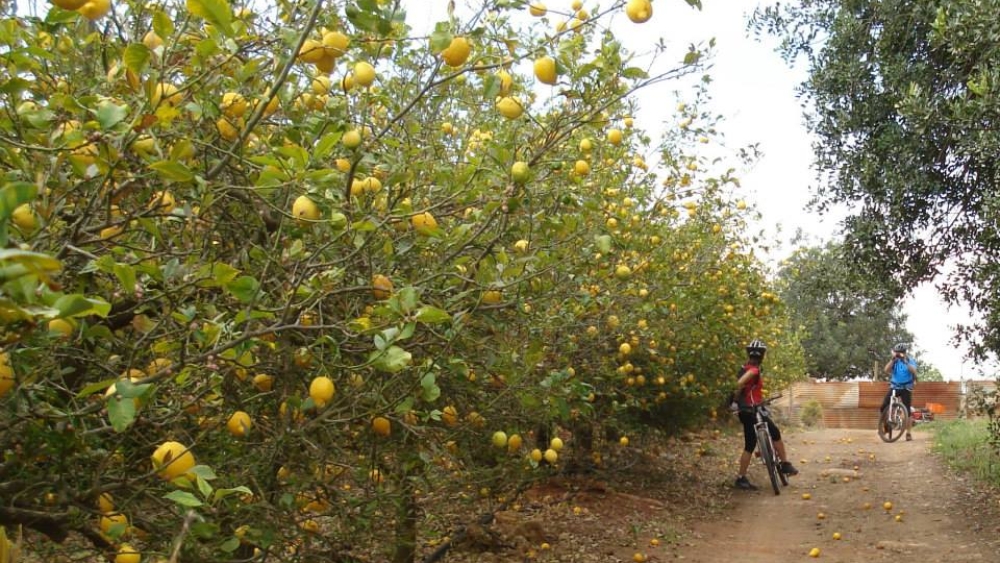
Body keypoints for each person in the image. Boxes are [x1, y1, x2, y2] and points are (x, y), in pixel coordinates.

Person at [733, 339, 798, 490]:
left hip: (744, 411)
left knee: (749, 444)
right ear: (763, 356)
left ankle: (741, 478)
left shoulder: (742, 368)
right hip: (753, 409)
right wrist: (737, 396)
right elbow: (739, 384)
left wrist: (735, 402)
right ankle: (785, 464)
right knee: (775, 432)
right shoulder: (754, 370)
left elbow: (742, 386)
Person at [882, 342, 918, 441]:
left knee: (907, 411)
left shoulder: (910, 360)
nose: (898, 354)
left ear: (905, 353)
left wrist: (905, 361)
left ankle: (908, 433)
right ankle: (886, 426)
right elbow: (886, 370)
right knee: (883, 406)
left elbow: (914, 371)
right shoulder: (895, 361)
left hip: (906, 388)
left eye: (900, 353)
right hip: (895, 386)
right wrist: (893, 360)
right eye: (897, 353)